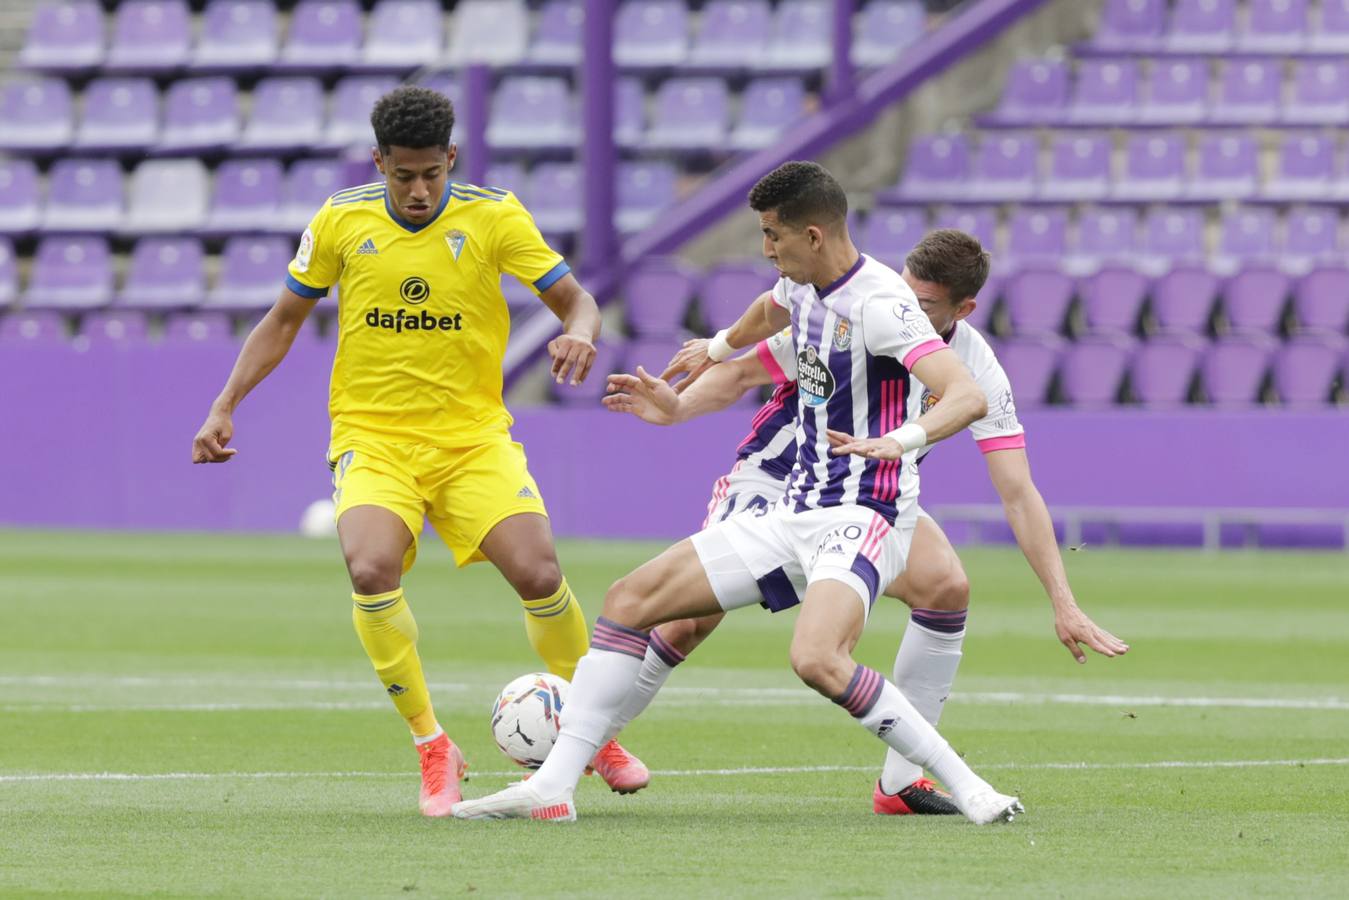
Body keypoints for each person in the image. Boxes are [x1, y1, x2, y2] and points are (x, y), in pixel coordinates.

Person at [452, 161, 1023, 825]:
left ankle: (969, 787)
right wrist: (713, 352)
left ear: (813, 234)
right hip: (793, 507)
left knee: (815, 658)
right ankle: (552, 786)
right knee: (629, 599)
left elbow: (966, 393)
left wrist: (899, 440)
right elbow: (767, 309)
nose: (764, 248)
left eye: (771, 234)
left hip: (863, 512)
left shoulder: (880, 306)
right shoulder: (806, 282)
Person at [190, 85, 647, 817]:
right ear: (380, 162)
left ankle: (591, 735)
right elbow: (282, 320)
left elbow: (577, 300)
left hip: (471, 441)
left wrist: (582, 333)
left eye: (430, 173)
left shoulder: (494, 215)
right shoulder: (340, 220)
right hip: (372, 439)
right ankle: (434, 747)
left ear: (450, 159)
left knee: (537, 570)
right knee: (369, 566)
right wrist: (224, 405)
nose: (416, 188)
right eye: (402, 174)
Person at [601, 228, 1129, 816]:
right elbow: (745, 372)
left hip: (864, 493)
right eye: (906, 290)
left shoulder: (975, 367)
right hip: (777, 477)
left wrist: (1063, 600)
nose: (907, 305)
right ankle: (589, 736)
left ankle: (901, 782)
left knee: (946, 588)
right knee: (688, 623)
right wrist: (681, 405)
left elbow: (1018, 491)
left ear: (964, 309)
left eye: (925, 303)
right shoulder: (857, 310)